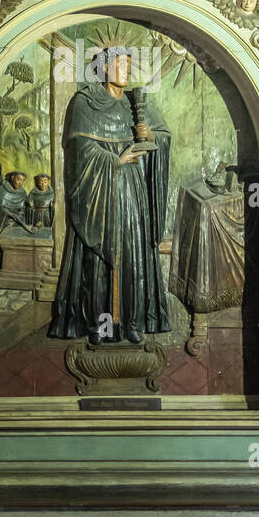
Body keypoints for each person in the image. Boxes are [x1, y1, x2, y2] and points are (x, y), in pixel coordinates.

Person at [48, 46, 171, 345]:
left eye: (129, 64)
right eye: (120, 63)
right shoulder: (85, 102)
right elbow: (79, 150)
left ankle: (133, 322)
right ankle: (101, 326)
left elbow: (163, 138)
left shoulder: (137, 104)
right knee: (99, 262)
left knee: (134, 256)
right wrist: (113, 161)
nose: (126, 70)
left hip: (132, 192)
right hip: (99, 194)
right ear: (103, 68)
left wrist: (151, 137)